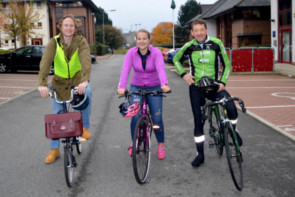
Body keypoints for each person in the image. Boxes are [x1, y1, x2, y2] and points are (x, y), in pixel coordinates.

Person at [173, 19, 243, 167]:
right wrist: (183, 75)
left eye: (201, 30)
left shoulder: (216, 43)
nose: (199, 33)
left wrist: (223, 82)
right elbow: (176, 59)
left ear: (206, 30)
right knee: (198, 122)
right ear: (192, 33)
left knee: (231, 107)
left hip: (215, 86)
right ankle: (200, 154)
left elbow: (227, 64)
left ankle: (234, 131)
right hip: (196, 88)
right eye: (196, 30)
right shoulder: (189, 46)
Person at [38, 14, 92, 164]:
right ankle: (54, 149)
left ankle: (85, 127)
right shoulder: (54, 42)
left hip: (77, 79)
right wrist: (42, 83)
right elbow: (45, 62)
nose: (69, 28)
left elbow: (85, 60)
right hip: (60, 82)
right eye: (66, 25)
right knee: (57, 114)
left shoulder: (81, 41)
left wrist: (85, 80)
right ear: (61, 27)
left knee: (87, 93)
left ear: (75, 28)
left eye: (72, 25)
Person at [117, 29, 171, 159]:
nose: (142, 41)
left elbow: (160, 69)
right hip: (137, 86)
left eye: (144, 38)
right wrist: (121, 87)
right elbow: (125, 70)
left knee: (157, 118)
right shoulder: (131, 53)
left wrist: (164, 84)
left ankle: (161, 145)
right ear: (136, 40)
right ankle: (134, 142)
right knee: (135, 116)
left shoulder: (156, 53)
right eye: (139, 38)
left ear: (149, 40)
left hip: (155, 87)